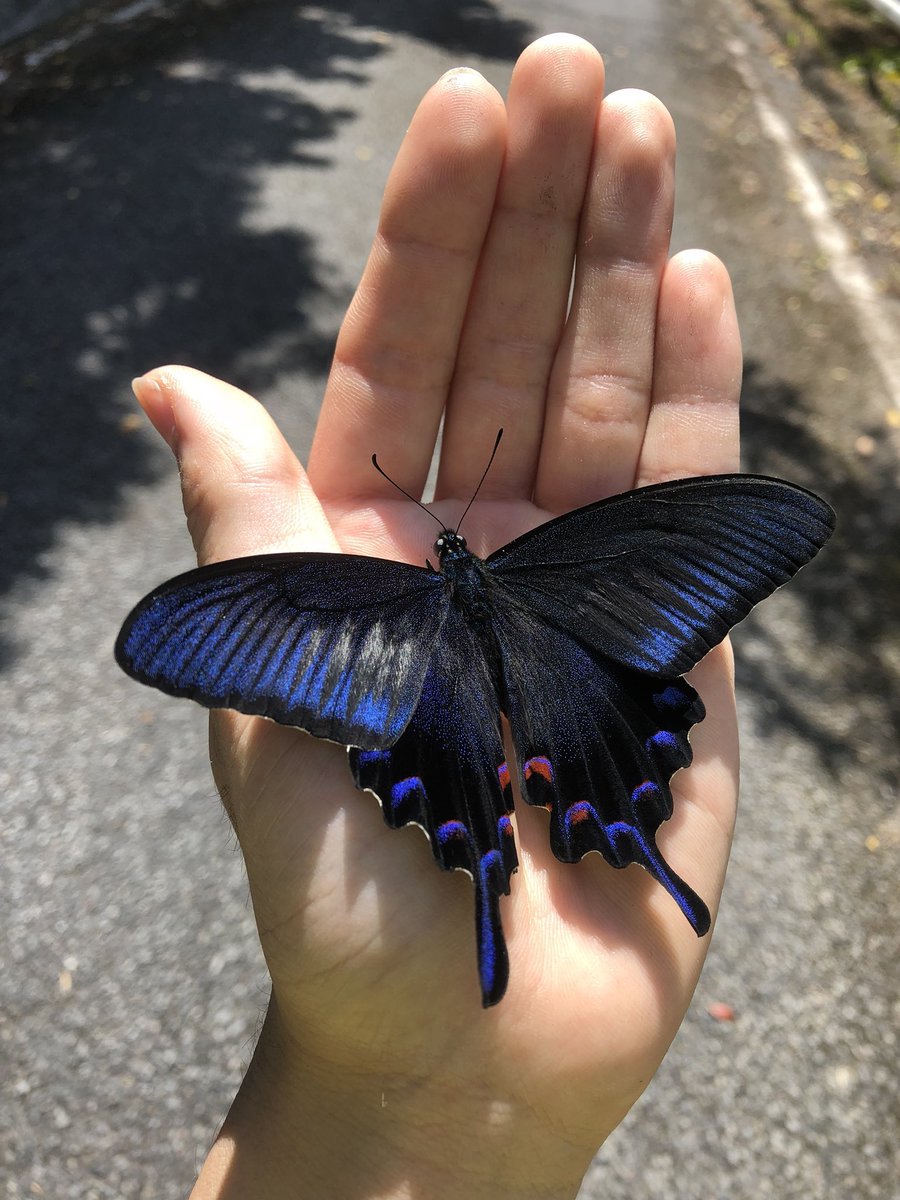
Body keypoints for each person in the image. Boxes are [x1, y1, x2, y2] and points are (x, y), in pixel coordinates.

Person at [133, 33, 742, 1200]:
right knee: (585, 742)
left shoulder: (379, 596)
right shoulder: (541, 558)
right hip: (543, 681)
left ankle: (526, 890)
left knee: (526, 763)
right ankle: (615, 862)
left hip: (441, 708)